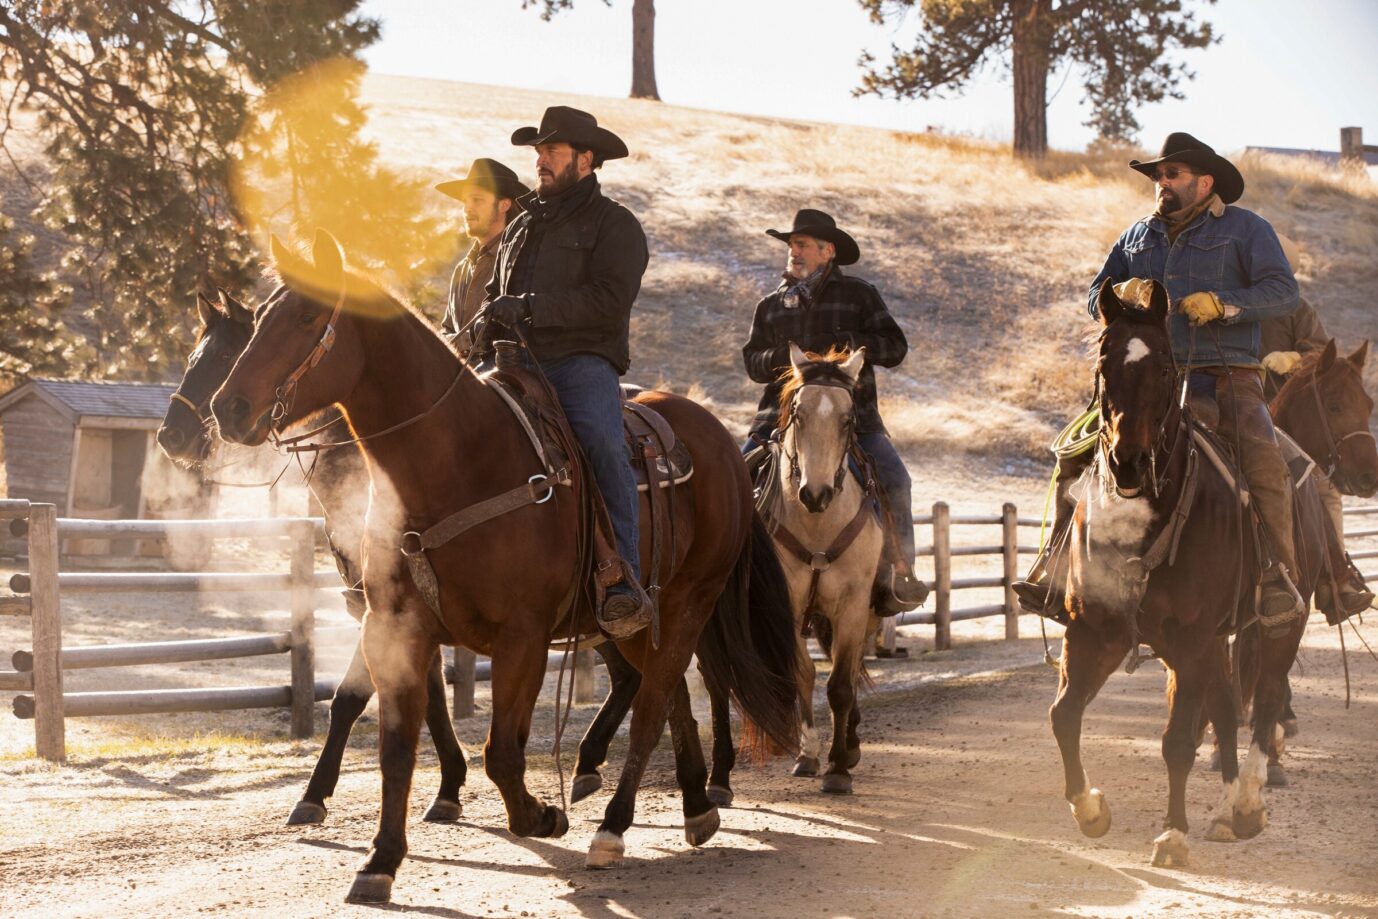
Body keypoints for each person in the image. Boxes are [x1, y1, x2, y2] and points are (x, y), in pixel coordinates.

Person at [1017, 132, 1304, 633]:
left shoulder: (1247, 229)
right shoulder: (1136, 237)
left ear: (1205, 182)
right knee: (1074, 455)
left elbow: (1283, 292)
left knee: (1263, 460)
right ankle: (1055, 569)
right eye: (1158, 176)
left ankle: (1277, 575)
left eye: (1172, 174)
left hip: (1226, 376)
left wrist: (1225, 304)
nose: (1161, 182)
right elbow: (1094, 296)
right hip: (1144, 382)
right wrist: (1117, 290)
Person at [475, 106, 652, 637]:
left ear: (586, 159)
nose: (541, 161)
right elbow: (495, 293)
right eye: (539, 152)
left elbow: (609, 300)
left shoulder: (615, 225)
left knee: (602, 443)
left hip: (580, 364)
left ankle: (622, 579)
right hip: (511, 361)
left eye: (552, 151)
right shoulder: (521, 223)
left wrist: (530, 308)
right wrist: (485, 324)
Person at [741, 208, 927, 612]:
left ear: (827, 252)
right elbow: (752, 363)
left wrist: (848, 344)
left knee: (896, 480)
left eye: (802, 245)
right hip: (778, 420)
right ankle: (728, 582)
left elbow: (895, 348)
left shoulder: (860, 295)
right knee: (732, 481)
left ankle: (899, 573)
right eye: (792, 245)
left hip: (855, 420)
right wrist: (787, 358)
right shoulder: (771, 305)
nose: (794, 251)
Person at [1261, 235, 1375, 618]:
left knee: (1324, 487)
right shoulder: (1224, 304)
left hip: (1286, 419)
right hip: (1230, 405)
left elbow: (1319, 355)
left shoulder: (1297, 309)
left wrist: (1292, 360)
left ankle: (1335, 581)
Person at [436, 158, 529, 357]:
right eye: (465, 201)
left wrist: (456, 342)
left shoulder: (518, 261)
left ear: (504, 205)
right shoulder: (462, 268)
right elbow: (447, 327)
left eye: (477, 200)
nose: (467, 208)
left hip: (501, 369)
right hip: (459, 371)